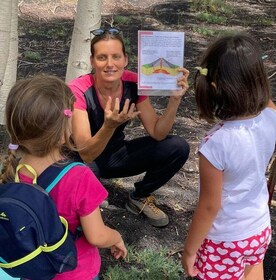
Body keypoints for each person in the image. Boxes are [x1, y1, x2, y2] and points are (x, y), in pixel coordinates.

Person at [1, 75, 127, 280]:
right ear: (62, 133)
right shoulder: (79, 177)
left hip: (31, 268)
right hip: (73, 272)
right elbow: (96, 236)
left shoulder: (10, 167)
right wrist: (116, 237)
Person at [181, 34, 276, 280]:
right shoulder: (272, 118)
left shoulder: (215, 144)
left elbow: (209, 205)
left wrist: (189, 250)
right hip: (259, 227)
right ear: (258, 80)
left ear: (214, 88)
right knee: (254, 268)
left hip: (225, 238)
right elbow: (267, 103)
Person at [68, 28, 190, 228]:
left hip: (116, 155)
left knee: (177, 146)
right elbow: (86, 153)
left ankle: (139, 197)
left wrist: (174, 101)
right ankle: (87, 202)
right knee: (81, 173)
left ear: (125, 59)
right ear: (92, 61)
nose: (110, 64)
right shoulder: (78, 89)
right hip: (82, 160)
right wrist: (109, 126)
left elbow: (157, 133)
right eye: (102, 57)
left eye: (116, 56)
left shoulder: (134, 82)